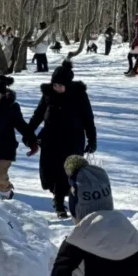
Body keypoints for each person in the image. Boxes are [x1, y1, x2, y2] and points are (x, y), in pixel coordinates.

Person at [28, 61, 97, 218]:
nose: (57, 88)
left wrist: (92, 140)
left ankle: (61, 204)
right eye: (55, 85)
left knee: (67, 173)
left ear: (67, 84)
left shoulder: (78, 95)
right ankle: (57, 198)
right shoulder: (48, 94)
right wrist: (28, 132)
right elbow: (38, 115)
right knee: (50, 171)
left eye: (60, 85)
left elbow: (88, 118)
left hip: (72, 140)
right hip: (50, 139)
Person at [0, 75, 37, 199]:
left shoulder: (11, 107)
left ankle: (7, 192)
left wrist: (31, 141)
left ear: (3, 93)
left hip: (5, 148)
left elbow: (21, 125)